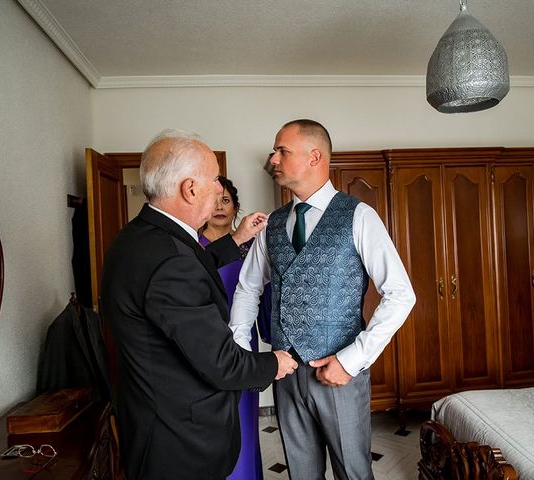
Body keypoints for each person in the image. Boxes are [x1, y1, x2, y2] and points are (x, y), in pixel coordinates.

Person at [100, 129, 298, 480]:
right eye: (214, 180)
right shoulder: (171, 261)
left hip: (150, 420)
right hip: (179, 443)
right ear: (190, 189)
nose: (220, 189)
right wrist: (274, 363)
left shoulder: (141, 237)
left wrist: (235, 240)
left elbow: (195, 264)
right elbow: (221, 364)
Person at [229, 119, 416, 479]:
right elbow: (248, 287)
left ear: (315, 156)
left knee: (353, 472)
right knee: (302, 474)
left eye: (282, 150)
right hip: (285, 372)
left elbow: (400, 294)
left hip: (339, 372)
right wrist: (242, 347)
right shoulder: (274, 224)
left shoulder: (359, 216)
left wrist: (352, 360)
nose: (273, 159)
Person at [198, 176, 269, 480]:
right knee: (211, 423)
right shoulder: (193, 248)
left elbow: (265, 292)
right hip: (203, 343)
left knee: (244, 419)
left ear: (236, 207)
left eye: (226, 200)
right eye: (214, 200)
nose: (219, 206)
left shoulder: (252, 247)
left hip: (242, 343)